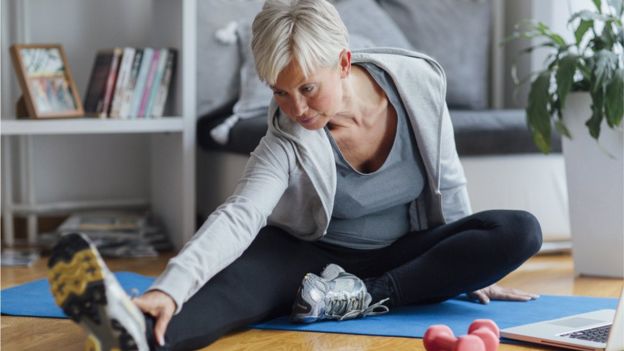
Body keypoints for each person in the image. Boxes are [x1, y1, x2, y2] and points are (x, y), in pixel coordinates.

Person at [47, 0, 543, 350]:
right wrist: (167, 288)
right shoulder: (286, 134)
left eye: (307, 87)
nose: (296, 108)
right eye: (280, 92)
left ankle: (363, 298)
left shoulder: (419, 82)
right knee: (226, 293)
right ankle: (132, 331)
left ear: (344, 62)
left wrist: (474, 269)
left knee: (521, 231)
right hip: (309, 257)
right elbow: (239, 215)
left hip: (402, 253)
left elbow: (448, 177)